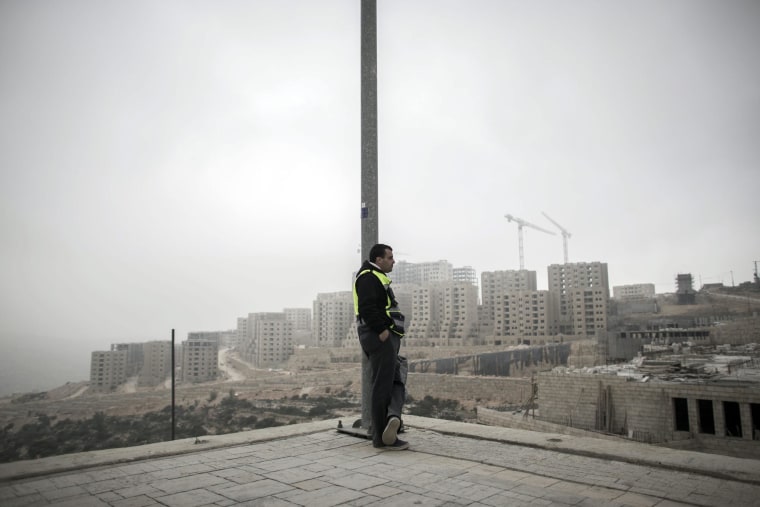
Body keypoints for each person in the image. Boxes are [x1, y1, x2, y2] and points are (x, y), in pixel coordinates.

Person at [353, 243, 408, 450]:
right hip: (379, 337)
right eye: (390, 257)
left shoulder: (375, 276)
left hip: (384, 337)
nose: (393, 261)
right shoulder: (368, 277)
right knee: (382, 386)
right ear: (379, 260)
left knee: (395, 377)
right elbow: (367, 307)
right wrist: (382, 330)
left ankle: (391, 421)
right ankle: (382, 436)